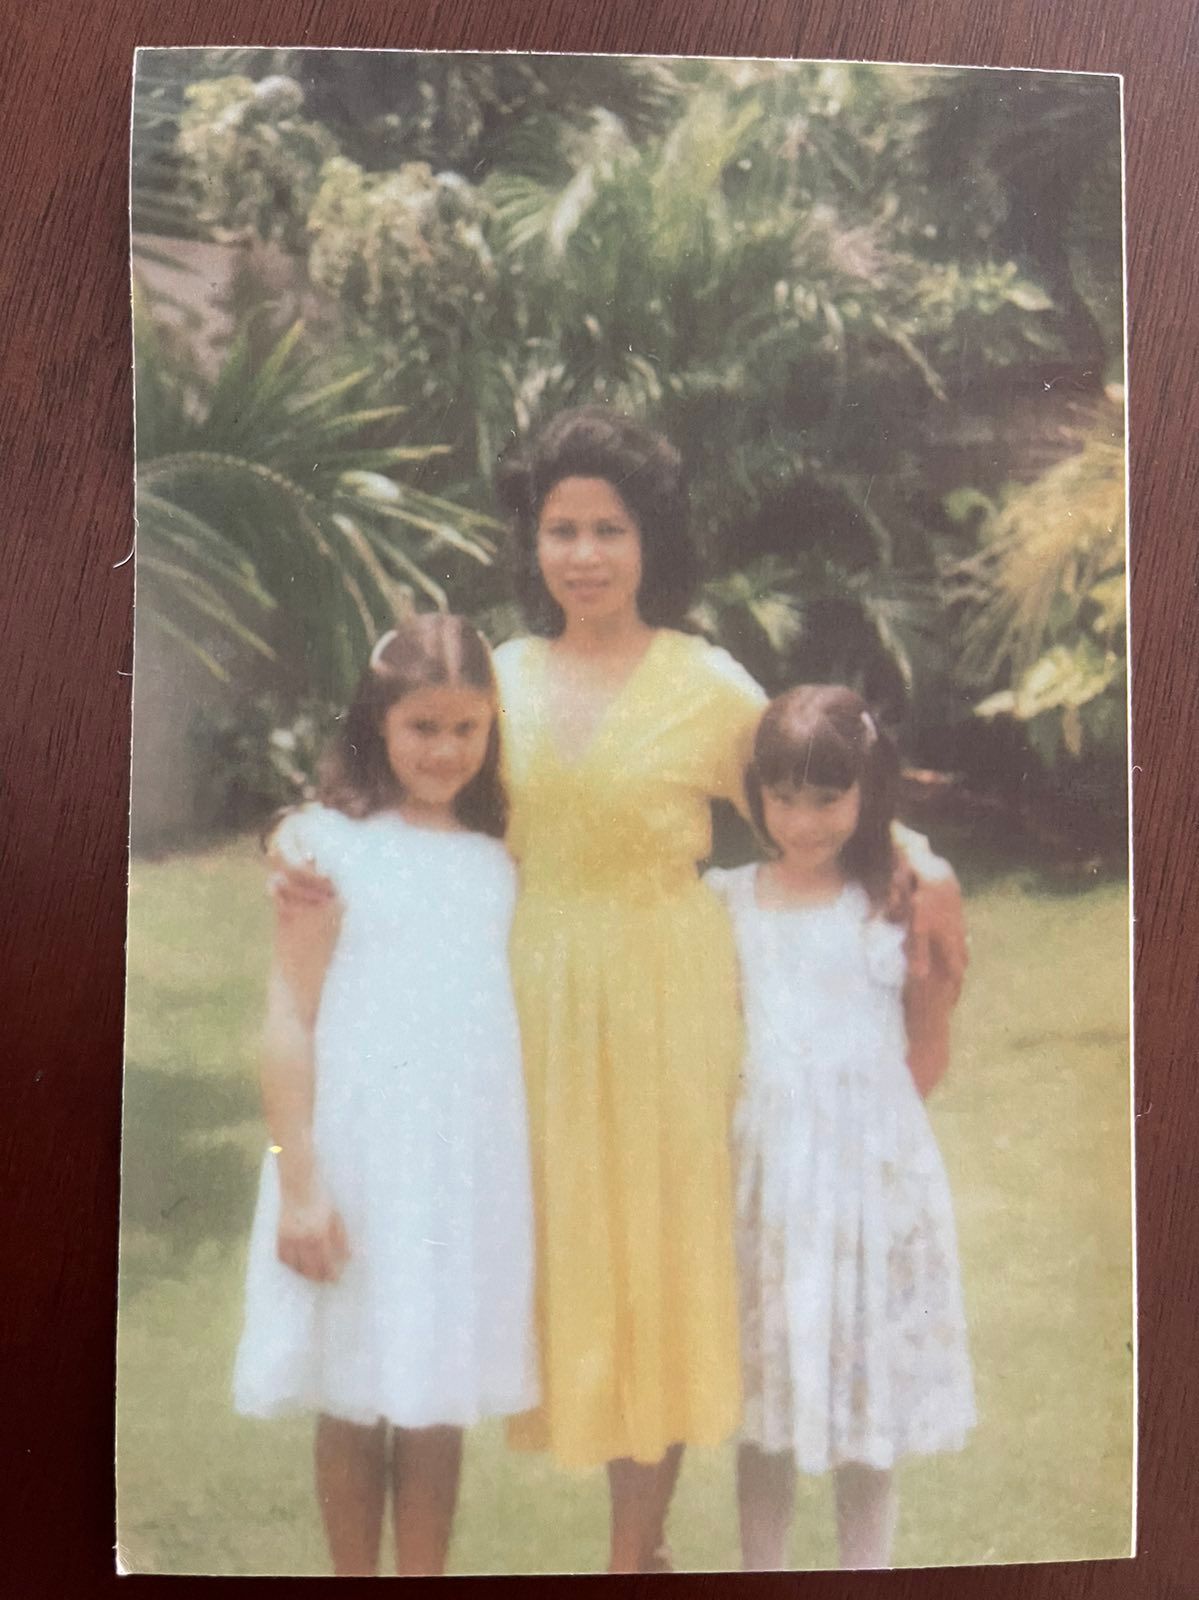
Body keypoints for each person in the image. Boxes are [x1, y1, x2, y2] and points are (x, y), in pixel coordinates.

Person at [273, 408, 968, 1574]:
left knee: (653, 1259)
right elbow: (412, 779)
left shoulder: (706, 682)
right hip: (523, 1000)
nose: (584, 553)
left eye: (609, 528)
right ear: (531, 543)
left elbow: (819, 791)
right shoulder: (498, 673)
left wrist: (922, 855)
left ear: (650, 542)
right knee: (544, 1256)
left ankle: (630, 1556)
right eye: (560, 529)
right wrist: (301, 834)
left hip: (668, 1000)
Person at [234, 614, 537, 1578]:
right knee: (352, 1394)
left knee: (434, 1396)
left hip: (456, 1169)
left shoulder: (502, 855)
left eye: (467, 730)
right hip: (355, 1161)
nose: (445, 750)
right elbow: (288, 1018)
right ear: (377, 724)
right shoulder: (325, 849)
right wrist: (299, 1184)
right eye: (422, 728)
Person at [706, 685, 975, 1573]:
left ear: (869, 791)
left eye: (828, 797)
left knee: (870, 1408)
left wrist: (870, 1157)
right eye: (785, 797)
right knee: (769, 1407)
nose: (805, 820)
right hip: (768, 1183)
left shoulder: (907, 893)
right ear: (757, 795)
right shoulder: (731, 900)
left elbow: (928, 1043)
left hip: (872, 1177)